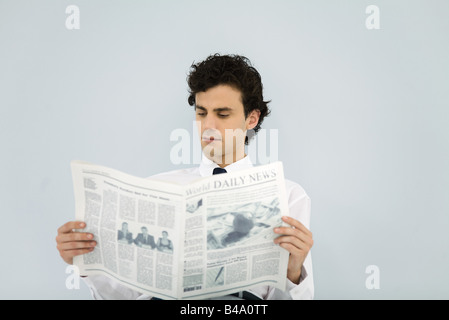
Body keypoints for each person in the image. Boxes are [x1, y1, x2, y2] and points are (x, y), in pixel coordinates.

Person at [56, 53, 314, 299]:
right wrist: (86, 263)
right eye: (201, 113)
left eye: (222, 114)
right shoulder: (156, 188)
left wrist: (292, 272)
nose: (208, 125)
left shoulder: (287, 196)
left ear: (251, 119)